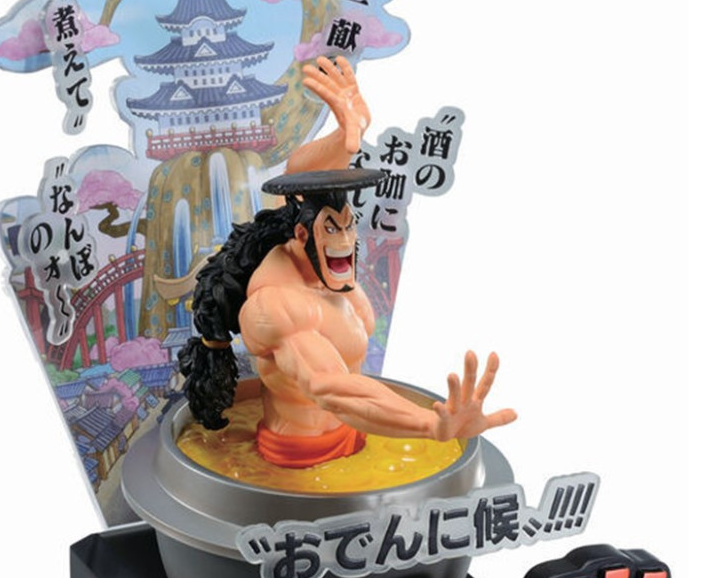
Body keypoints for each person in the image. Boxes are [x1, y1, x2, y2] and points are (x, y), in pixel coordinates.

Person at [178, 56, 515, 466]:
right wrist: (427, 424)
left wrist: (347, 133)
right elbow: (331, 387)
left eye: (348, 225)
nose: (345, 240)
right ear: (303, 234)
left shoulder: (323, 269)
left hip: (357, 436)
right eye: (331, 228)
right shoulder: (276, 302)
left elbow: (303, 172)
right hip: (299, 457)